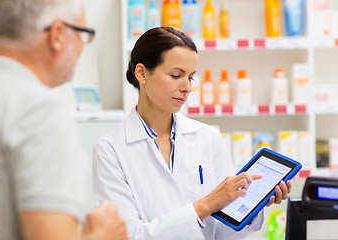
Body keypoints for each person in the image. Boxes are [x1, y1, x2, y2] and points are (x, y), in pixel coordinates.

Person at [92, 27, 291, 240]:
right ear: (141, 73)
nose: (187, 87)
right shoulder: (110, 150)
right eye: (176, 75)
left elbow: (223, 233)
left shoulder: (208, 137)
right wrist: (206, 205)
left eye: (191, 77)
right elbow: (126, 235)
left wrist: (252, 205)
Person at [0, 0, 127, 239]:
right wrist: (102, 234)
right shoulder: (38, 111)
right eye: (83, 33)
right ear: (57, 34)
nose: (81, 46)